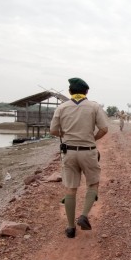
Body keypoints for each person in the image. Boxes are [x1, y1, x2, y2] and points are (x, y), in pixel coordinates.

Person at [50, 77, 108, 238]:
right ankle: (83, 216)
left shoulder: (62, 108)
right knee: (93, 183)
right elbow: (104, 128)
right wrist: (91, 138)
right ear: (86, 91)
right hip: (88, 151)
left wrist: (67, 135)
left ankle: (70, 228)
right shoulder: (94, 107)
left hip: (69, 152)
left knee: (71, 188)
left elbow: (53, 131)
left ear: (70, 92)